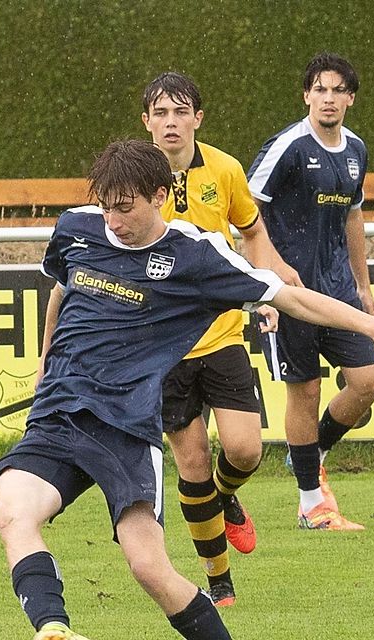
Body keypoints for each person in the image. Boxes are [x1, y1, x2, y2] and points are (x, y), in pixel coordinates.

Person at [0, 139, 374, 640]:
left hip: (124, 429)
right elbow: (61, 292)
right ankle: (54, 629)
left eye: (125, 209)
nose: (113, 221)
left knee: (149, 569)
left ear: (159, 195)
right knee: (11, 510)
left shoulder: (195, 255)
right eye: (106, 207)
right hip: (57, 417)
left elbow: (291, 297)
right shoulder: (76, 228)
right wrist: (44, 364)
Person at [139, 71, 299, 607]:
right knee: (191, 467)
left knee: (244, 449)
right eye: (160, 113)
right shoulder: (133, 177)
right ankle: (218, 581)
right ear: (147, 123)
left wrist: (265, 293)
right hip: (164, 349)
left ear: (197, 119)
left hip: (223, 335)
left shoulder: (226, 169)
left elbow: (252, 231)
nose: (170, 123)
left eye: (180, 112)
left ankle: (226, 499)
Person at [247, 52, 374, 531]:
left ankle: (312, 450)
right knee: (304, 392)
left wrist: (364, 287)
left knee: (367, 383)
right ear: (306, 95)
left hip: (339, 291)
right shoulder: (287, 146)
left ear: (350, 99)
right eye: (319, 89)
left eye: (337, 90)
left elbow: (353, 216)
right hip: (290, 295)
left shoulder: (356, 150)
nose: (328, 98)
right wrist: (271, 278)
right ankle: (311, 504)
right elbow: (246, 212)